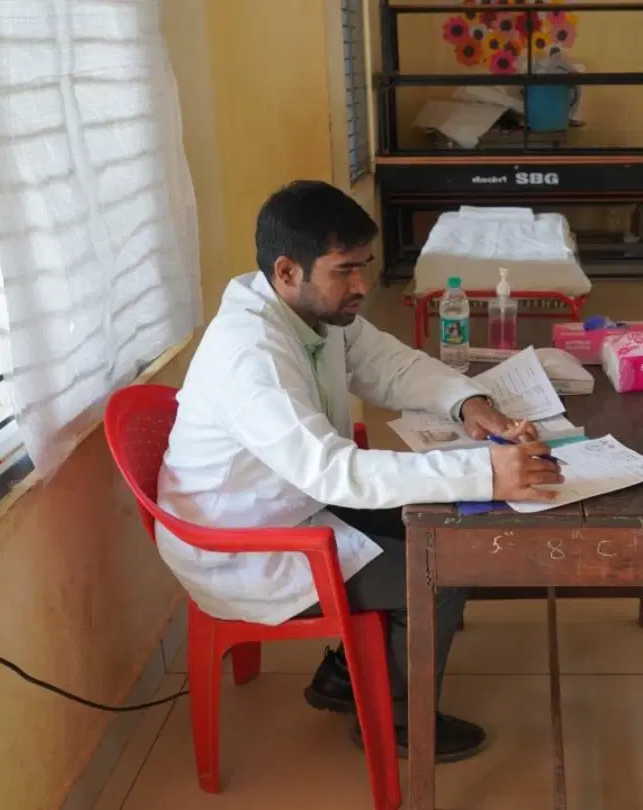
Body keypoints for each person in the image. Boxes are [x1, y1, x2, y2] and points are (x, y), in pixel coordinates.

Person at [157, 180, 561, 763]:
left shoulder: (311, 312)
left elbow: (389, 366)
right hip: (243, 543)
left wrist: (470, 404)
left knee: (447, 524)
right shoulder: (251, 357)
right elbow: (332, 473)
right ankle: (399, 724)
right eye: (345, 270)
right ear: (288, 270)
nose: (363, 286)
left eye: (365, 266)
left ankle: (345, 676)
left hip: (289, 500)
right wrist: (487, 474)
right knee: (442, 565)